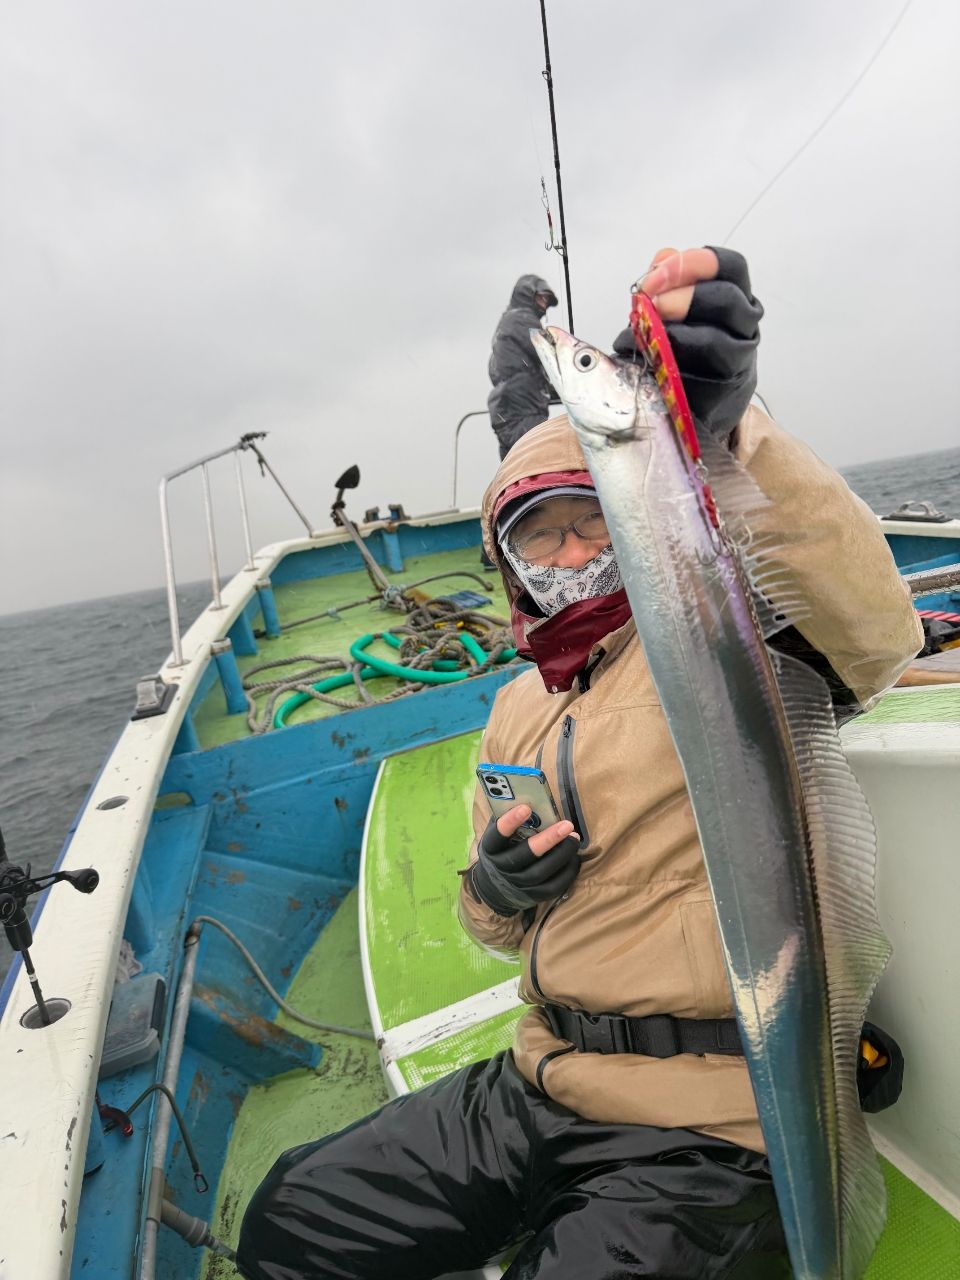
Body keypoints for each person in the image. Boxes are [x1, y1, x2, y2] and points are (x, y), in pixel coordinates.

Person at [236, 248, 923, 1280]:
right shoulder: (519, 703)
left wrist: (727, 431)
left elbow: (873, 628)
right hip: (541, 1080)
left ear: (629, 507)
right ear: (506, 560)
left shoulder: (727, 634)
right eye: (536, 537)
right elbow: (487, 922)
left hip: (716, 1116)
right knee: (292, 1217)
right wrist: (497, 882)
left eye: (585, 521)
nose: (565, 555)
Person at [487, 274, 560, 460]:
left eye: (547, 300)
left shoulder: (507, 323)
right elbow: (551, 354)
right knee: (541, 462)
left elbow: (524, 376)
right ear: (527, 295)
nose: (544, 304)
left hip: (509, 414)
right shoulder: (521, 320)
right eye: (541, 297)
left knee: (517, 471)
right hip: (522, 414)